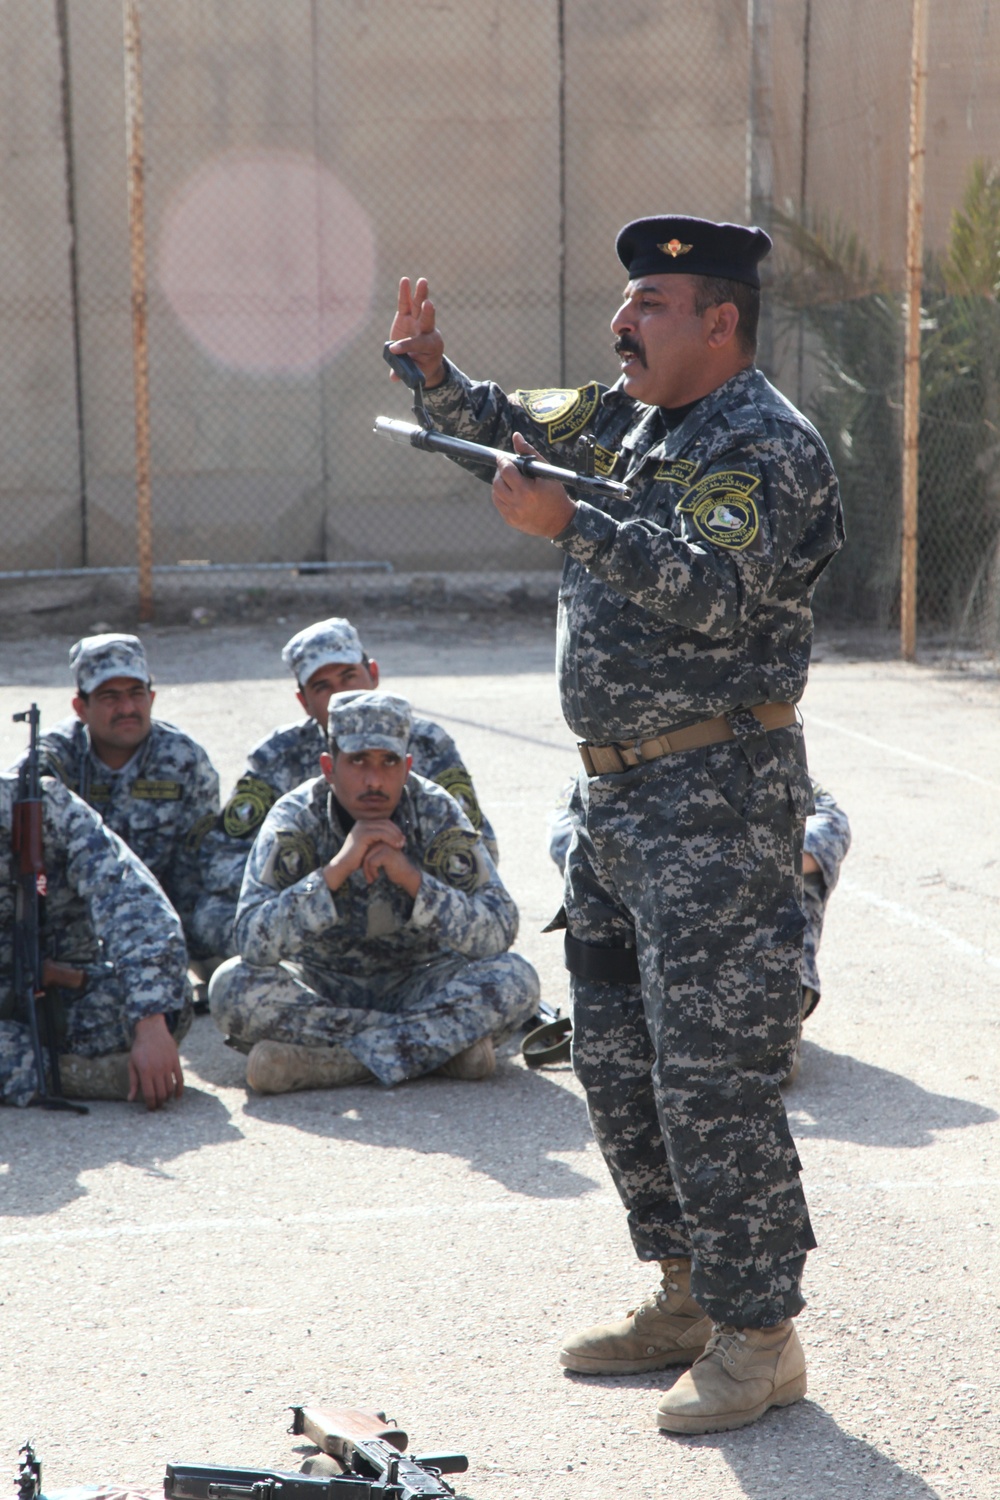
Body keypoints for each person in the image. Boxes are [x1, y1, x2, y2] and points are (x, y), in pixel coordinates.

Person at [387, 214, 844, 1434]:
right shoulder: (630, 417)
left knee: (712, 1075)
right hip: (616, 800)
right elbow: (511, 428)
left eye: (647, 303)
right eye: (625, 303)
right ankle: (685, 1294)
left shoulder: (767, 446)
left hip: (718, 800)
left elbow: (713, 589)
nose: (619, 323)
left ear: (719, 321)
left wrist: (575, 525)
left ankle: (762, 1340)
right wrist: (435, 380)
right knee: (619, 1064)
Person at [208, 690, 539, 1093]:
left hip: (421, 981)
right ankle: (437, 1049)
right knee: (230, 987)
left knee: (516, 979)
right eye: (358, 761)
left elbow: (499, 928)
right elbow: (250, 939)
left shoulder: (436, 809)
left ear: (407, 767)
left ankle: (331, 1064)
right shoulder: (294, 816)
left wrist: (413, 881)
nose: (374, 780)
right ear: (329, 767)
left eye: (389, 762)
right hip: (323, 985)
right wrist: (335, 871)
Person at [192, 616, 498, 959]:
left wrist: (403, 868)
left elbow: (479, 849)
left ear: (374, 674)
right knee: (213, 919)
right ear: (304, 701)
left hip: (411, 916)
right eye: (322, 686)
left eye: (349, 676)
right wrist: (324, 868)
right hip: (313, 926)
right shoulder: (278, 755)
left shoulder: (426, 743)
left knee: (493, 951)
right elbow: (220, 859)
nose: (341, 694)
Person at [549, 774, 852, 1035]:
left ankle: (770, 1014)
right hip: (649, 969)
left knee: (791, 874)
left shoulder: (753, 761)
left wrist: (728, 868)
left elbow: (831, 828)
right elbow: (567, 841)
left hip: (753, 956)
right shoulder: (608, 768)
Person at [22, 633, 220, 962]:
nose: (127, 708)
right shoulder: (52, 761)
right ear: (80, 707)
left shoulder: (184, 759)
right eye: (110, 697)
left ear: (152, 697)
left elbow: (199, 863)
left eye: (135, 693)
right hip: (74, 919)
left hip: (162, 913)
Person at [0, 771, 191, 1110]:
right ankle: (77, 1076)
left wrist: (148, 1021)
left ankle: (36, 1068)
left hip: (63, 999)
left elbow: (132, 902)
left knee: (169, 999)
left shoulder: (39, 807)